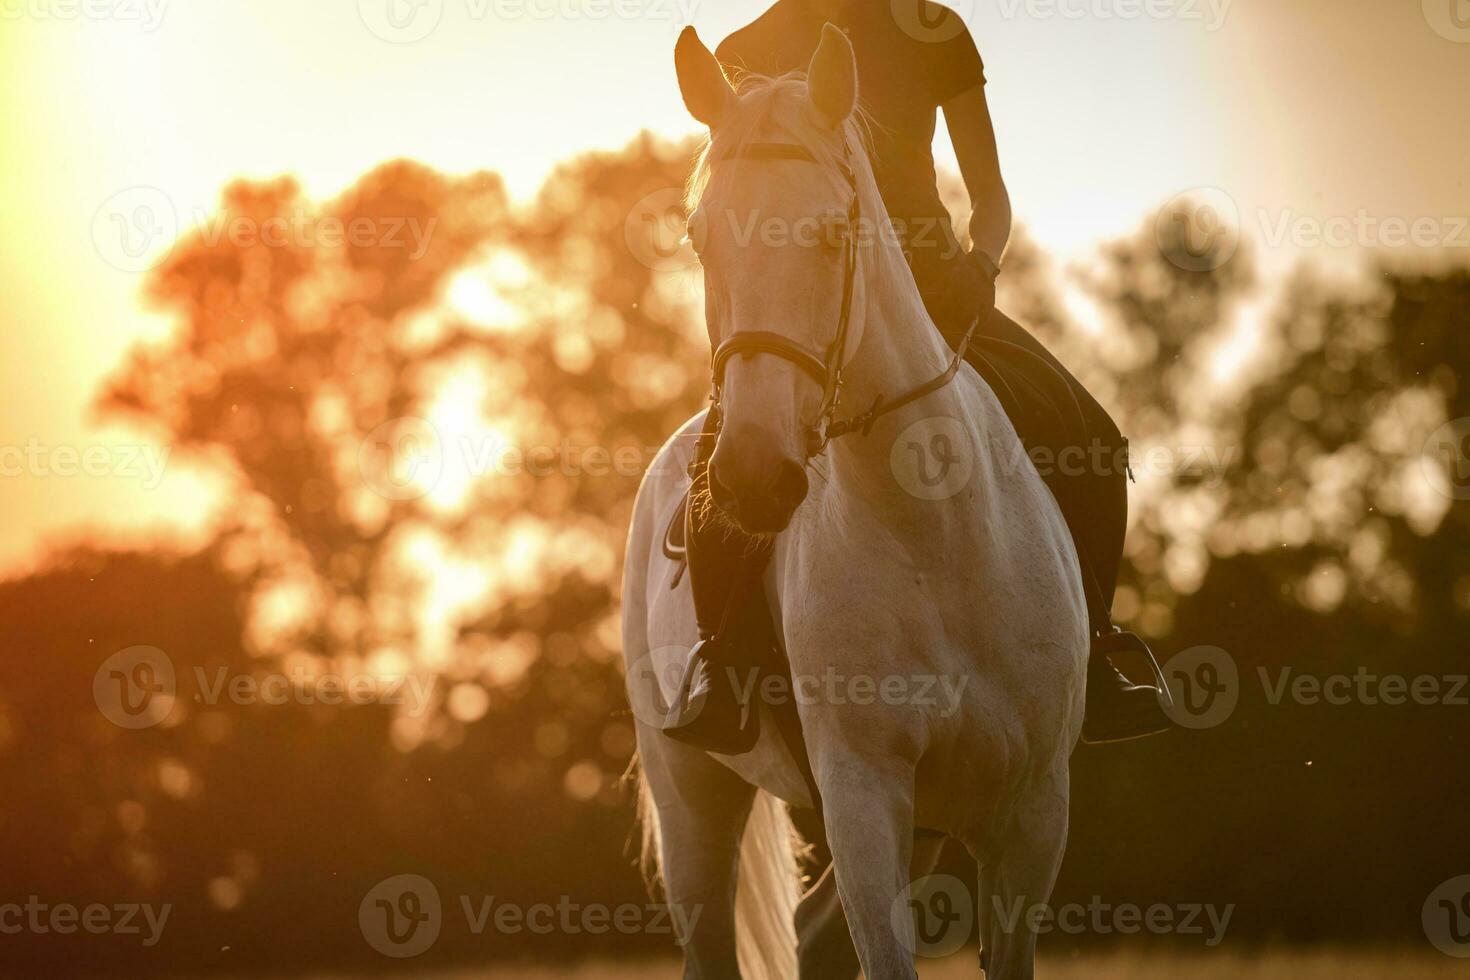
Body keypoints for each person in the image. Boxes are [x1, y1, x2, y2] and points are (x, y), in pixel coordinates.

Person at [713, 0, 1172, 743]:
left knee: (1092, 437)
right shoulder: (747, 47)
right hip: (799, 312)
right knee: (726, 465)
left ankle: (1093, 656)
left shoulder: (932, 31)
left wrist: (980, 267)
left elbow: (991, 197)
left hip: (932, 295)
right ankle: (721, 663)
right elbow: (737, 206)